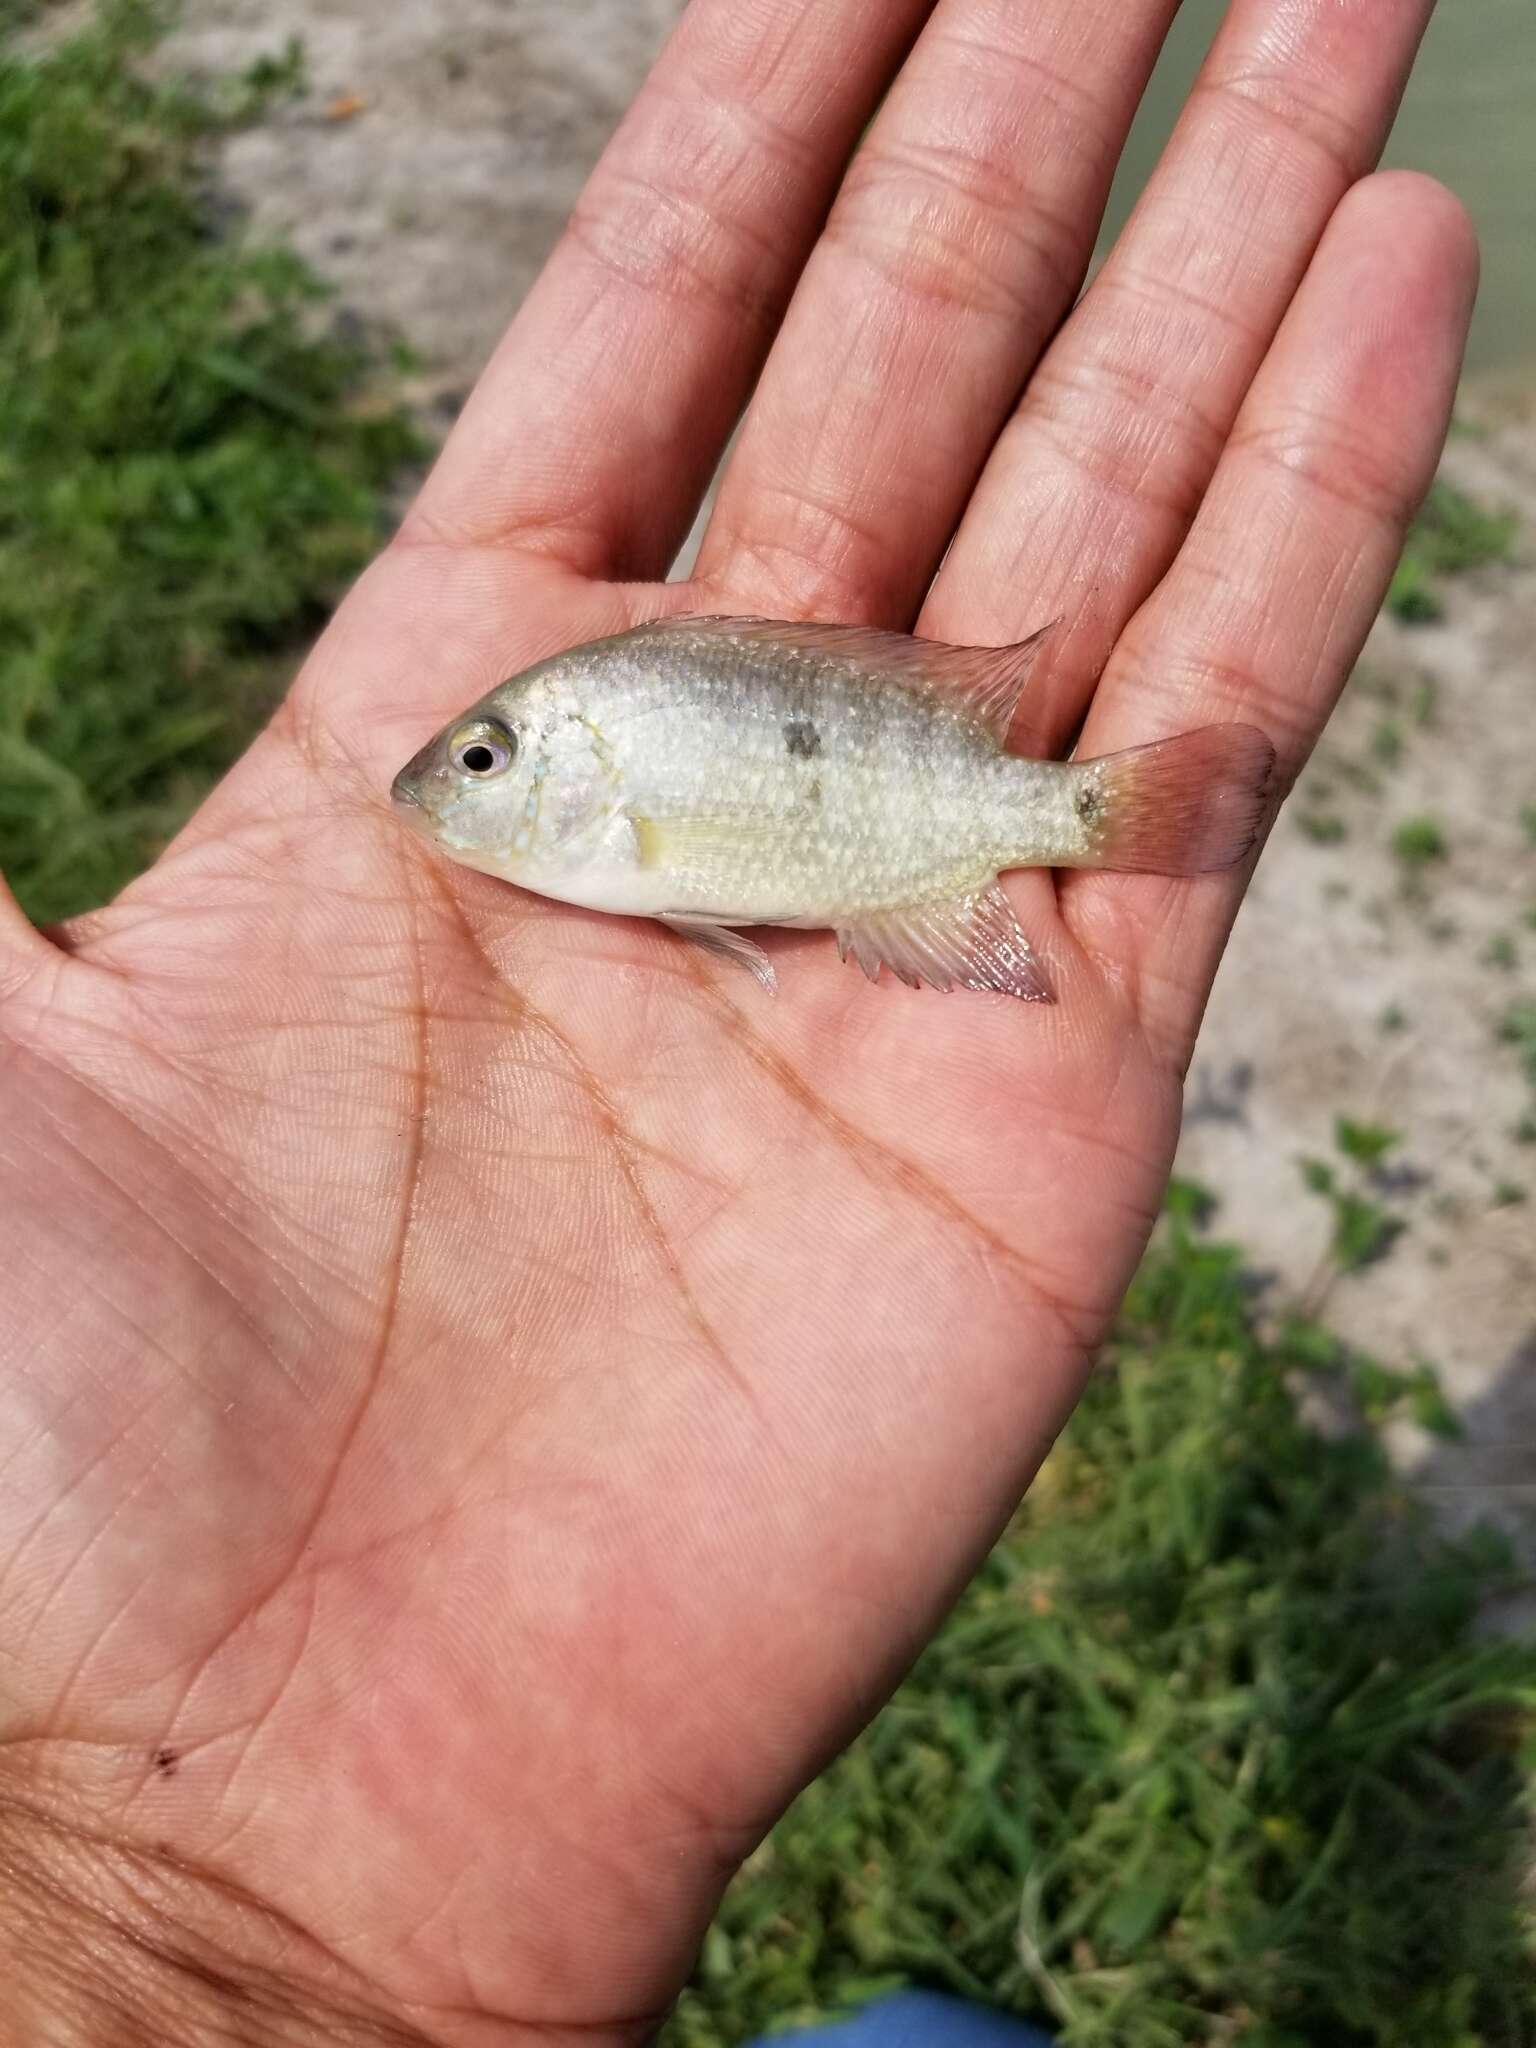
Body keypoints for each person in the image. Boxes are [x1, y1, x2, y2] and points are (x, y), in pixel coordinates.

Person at [0, 0, 1474, 2039]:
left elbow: (690, 825)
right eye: (491, 754)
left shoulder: (621, 773)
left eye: (491, 756)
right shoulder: (582, 800)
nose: (462, 788)